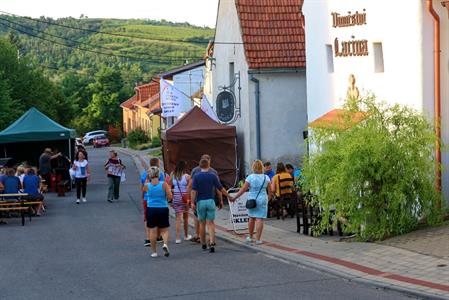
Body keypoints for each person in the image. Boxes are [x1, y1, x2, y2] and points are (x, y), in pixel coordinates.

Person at [191, 158, 230, 253]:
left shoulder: (196, 176)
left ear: (200, 166)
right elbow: (220, 188)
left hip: (200, 202)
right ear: (208, 166)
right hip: (211, 201)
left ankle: (203, 244)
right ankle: (212, 242)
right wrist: (229, 196)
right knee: (211, 223)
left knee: (202, 224)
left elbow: (193, 191)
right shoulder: (213, 176)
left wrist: (192, 202)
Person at [229, 160, 272, 245]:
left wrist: (235, 197)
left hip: (252, 199)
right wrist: (268, 199)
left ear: (253, 167)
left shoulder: (250, 177)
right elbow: (270, 191)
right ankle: (258, 239)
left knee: (251, 218)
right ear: (262, 167)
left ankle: (250, 237)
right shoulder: (266, 177)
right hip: (263, 198)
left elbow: (243, 189)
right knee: (260, 219)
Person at [143, 166, 173, 258]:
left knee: (152, 230)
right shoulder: (164, 184)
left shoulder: (147, 185)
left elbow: (145, 195)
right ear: (159, 174)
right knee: (164, 230)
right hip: (162, 208)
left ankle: (154, 252)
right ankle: (165, 244)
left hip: (151, 209)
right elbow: (170, 196)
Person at [141, 158, 165, 247]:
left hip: (147, 199)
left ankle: (148, 238)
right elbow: (162, 186)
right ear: (158, 164)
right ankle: (158, 236)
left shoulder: (144, 174)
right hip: (158, 199)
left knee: (147, 218)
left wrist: (143, 197)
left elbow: (142, 187)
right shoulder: (160, 174)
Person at [169, 160, 192, 244]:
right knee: (185, 218)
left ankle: (177, 238)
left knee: (178, 218)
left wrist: (174, 190)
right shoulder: (187, 177)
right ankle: (186, 235)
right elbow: (190, 189)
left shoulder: (173, 174)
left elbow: (169, 184)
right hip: (185, 197)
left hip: (176, 197)